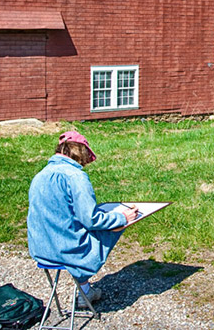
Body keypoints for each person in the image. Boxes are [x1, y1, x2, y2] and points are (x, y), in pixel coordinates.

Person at [27, 130, 138, 306]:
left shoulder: (40, 175)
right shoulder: (75, 176)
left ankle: (85, 290)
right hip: (67, 253)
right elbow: (91, 220)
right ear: (81, 152)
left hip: (41, 250)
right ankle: (84, 285)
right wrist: (123, 218)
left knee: (78, 229)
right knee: (111, 228)